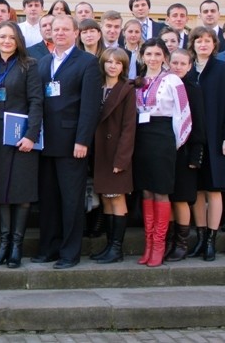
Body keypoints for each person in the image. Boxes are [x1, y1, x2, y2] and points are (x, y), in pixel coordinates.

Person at [33, 15, 101, 269]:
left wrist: (82, 140)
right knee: (48, 198)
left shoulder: (87, 62)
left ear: (76, 33)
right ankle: (49, 247)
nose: (59, 33)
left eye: (65, 29)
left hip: (72, 143)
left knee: (71, 200)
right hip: (45, 141)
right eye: (55, 29)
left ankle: (70, 252)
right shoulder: (43, 62)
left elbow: (90, 106)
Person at [0, 21, 43, 269]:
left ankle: (16, 246)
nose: (6, 41)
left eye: (11, 37)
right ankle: (3, 244)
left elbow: (37, 101)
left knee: (21, 190)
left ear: (18, 40)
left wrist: (31, 134)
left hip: (22, 135)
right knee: (2, 192)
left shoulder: (29, 65)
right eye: (2, 37)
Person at [132, 39, 192, 267]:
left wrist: (174, 143)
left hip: (163, 137)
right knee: (146, 191)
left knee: (161, 191)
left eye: (158, 54)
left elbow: (183, 112)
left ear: (164, 56)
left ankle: (159, 244)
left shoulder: (173, 80)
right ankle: (148, 243)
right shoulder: (138, 80)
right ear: (142, 56)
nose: (153, 58)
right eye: (149, 54)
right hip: (142, 137)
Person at [187, 26, 225, 262]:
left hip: (217, 140)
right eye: (198, 40)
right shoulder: (186, 68)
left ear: (214, 44)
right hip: (192, 140)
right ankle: (199, 237)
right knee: (196, 190)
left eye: (207, 40)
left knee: (214, 189)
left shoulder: (222, 69)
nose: (203, 44)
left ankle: (211, 240)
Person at [90, 47, 136, 264]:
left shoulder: (126, 89)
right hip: (99, 151)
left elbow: (129, 127)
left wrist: (122, 159)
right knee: (106, 200)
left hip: (116, 152)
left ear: (123, 66)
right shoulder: (97, 87)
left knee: (117, 199)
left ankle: (117, 248)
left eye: (117, 63)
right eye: (109, 61)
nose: (112, 66)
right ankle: (109, 245)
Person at [165, 48, 206, 262]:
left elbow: (199, 123)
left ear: (190, 66)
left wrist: (196, 154)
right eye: (175, 63)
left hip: (186, 151)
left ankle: (181, 243)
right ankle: (170, 240)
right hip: (166, 151)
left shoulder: (192, 88)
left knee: (181, 199)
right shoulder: (165, 85)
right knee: (169, 197)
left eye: (183, 64)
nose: (178, 67)